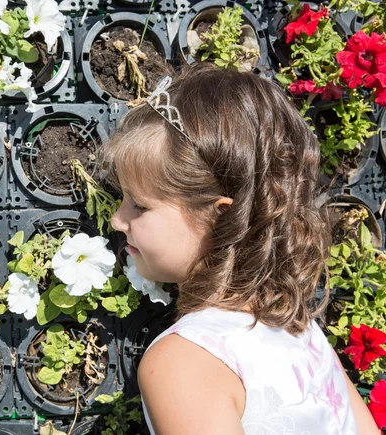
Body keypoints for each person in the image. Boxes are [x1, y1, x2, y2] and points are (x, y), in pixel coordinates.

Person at [101, 62, 381, 434]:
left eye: (139, 204)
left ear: (218, 217)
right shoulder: (297, 328)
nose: (117, 220)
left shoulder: (184, 364)